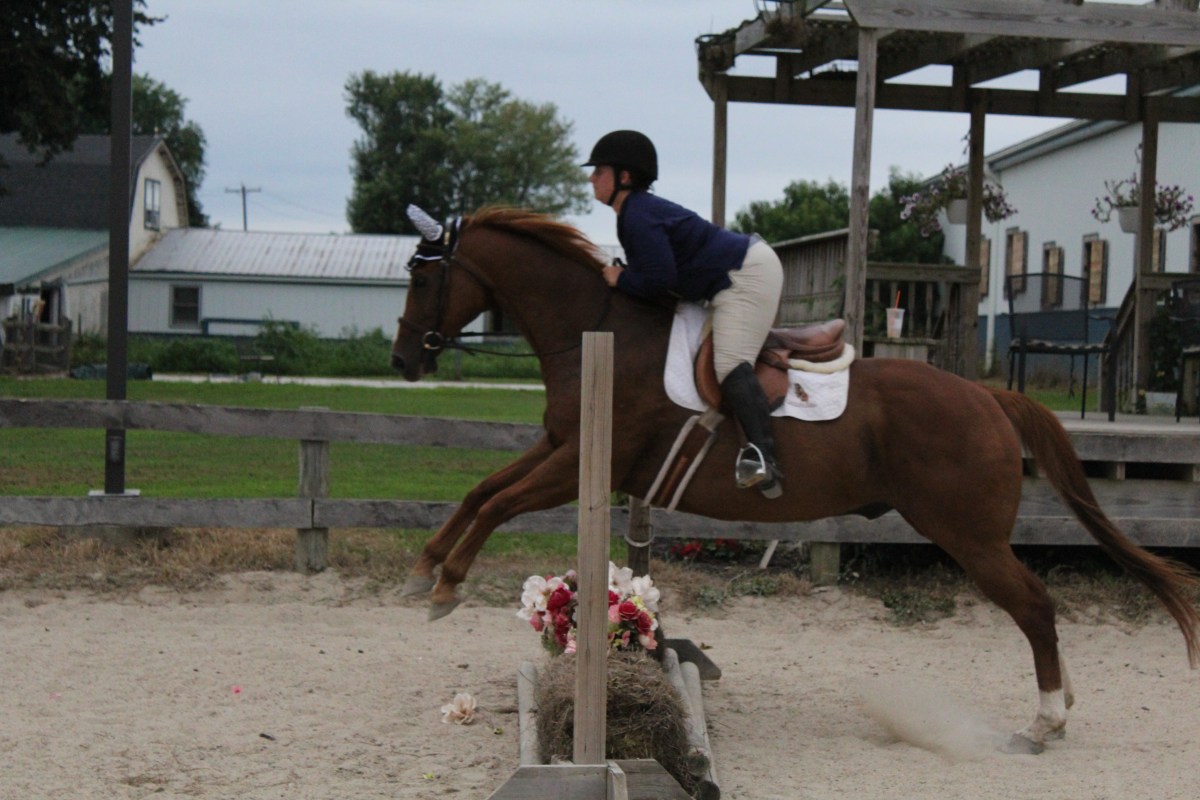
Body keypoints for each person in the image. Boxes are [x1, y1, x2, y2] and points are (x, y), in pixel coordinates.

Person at [583, 130, 785, 498]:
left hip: (744, 276)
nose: (591, 178)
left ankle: (762, 457)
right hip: (728, 277)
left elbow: (659, 280)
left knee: (729, 363)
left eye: (599, 171)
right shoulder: (635, 211)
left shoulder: (637, 214)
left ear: (624, 176)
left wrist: (620, 277)